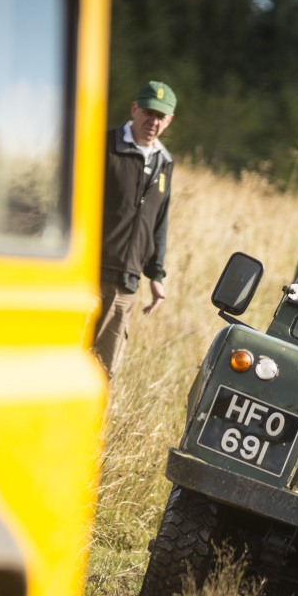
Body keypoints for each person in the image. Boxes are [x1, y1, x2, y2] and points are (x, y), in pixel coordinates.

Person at [93, 80, 177, 376]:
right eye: (148, 113)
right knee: (68, 357)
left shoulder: (165, 163)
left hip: (126, 284)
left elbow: (159, 221)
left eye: (160, 116)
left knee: (104, 369)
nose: (152, 121)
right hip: (89, 274)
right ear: (134, 109)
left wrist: (156, 275)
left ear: (169, 120)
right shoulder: (103, 145)